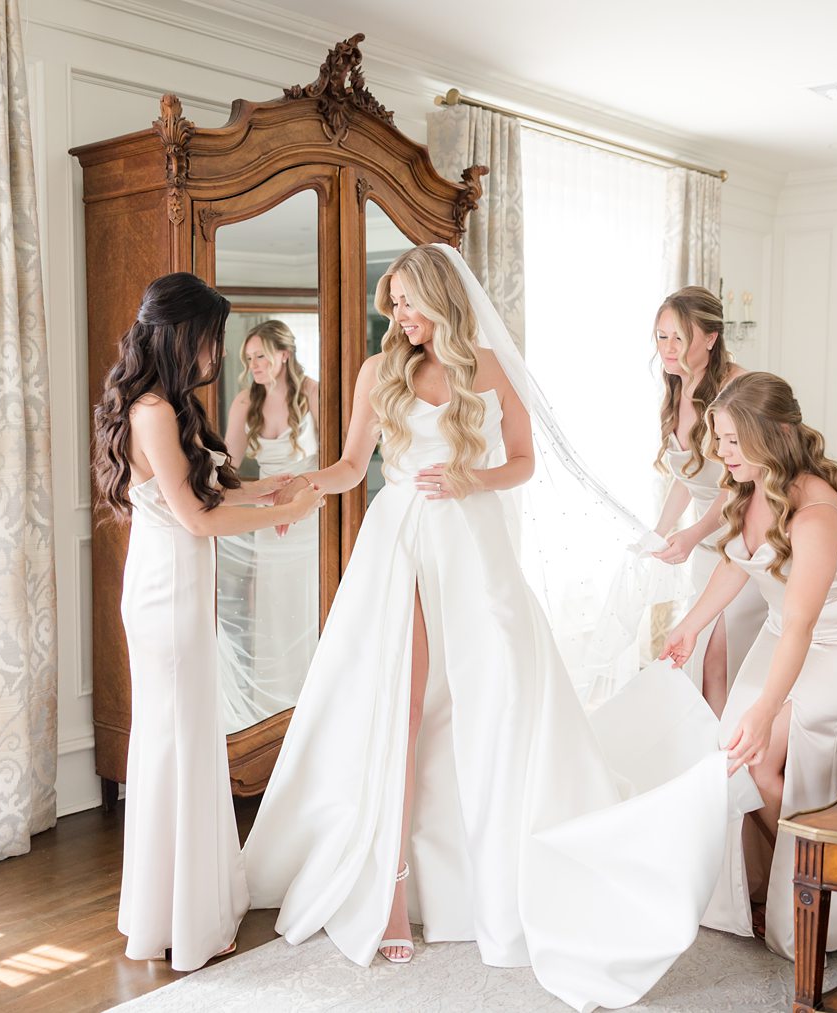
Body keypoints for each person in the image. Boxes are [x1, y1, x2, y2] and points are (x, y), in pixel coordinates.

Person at [243, 245, 756, 1012]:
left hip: (472, 547)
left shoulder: (485, 367)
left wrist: (465, 477)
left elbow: (521, 461)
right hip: (399, 549)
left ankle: (499, 870)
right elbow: (352, 465)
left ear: (443, 297)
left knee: (497, 705)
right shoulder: (378, 371)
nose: (401, 317)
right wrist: (303, 485)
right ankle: (389, 884)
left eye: (410, 302)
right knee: (403, 707)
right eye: (395, 303)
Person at [91, 272, 322, 972]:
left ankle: (177, 910)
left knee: (186, 742)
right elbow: (196, 518)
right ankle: (180, 919)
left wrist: (269, 488)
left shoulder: (171, 406)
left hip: (181, 587)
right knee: (176, 745)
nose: (212, 355)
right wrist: (282, 513)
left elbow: (210, 487)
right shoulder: (153, 410)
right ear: (178, 334)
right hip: (166, 593)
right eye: (207, 339)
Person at [660, 371, 837, 959]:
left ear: (775, 435)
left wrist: (768, 706)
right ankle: (772, 877)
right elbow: (735, 563)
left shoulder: (816, 512)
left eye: (734, 441)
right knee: (732, 753)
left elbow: (804, 626)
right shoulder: (749, 483)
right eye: (718, 438)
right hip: (786, 628)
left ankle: (816, 888)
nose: (721, 452)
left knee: (762, 752)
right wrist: (691, 626)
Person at [650, 287, 766, 716]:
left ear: (711, 338)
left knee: (722, 654)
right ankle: (710, 759)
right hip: (704, 548)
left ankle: (726, 764)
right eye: (661, 337)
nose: (668, 348)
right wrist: (661, 530)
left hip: (745, 538)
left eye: (679, 337)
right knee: (702, 660)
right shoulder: (676, 388)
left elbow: (737, 481)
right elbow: (689, 476)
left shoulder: (739, 386)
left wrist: (695, 531)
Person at [217, 321, 321, 727]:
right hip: (267, 519)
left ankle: (310, 703)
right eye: (249, 359)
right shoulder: (245, 402)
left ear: (284, 354)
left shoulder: (312, 392)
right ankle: (274, 709)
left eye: (260, 356)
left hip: (309, 514)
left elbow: (336, 453)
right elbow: (228, 465)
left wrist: (300, 497)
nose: (254, 365)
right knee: (273, 609)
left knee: (307, 602)